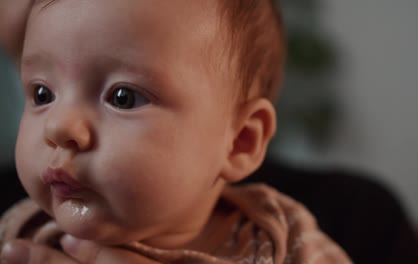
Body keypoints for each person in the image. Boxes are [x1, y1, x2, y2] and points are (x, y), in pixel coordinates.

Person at [0, 0, 352, 263]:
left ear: (239, 142)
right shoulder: (19, 234)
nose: (58, 126)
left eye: (123, 97)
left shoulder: (283, 240)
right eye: (42, 94)